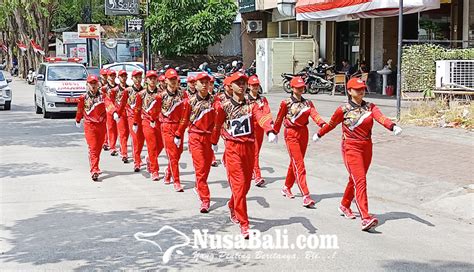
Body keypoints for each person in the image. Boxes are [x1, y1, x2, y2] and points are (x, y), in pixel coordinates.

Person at [314, 78, 403, 231]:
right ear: (349, 91)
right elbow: (331, 124)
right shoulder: (343, 110)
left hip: (367, 147)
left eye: (362, 88)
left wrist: (392, 126)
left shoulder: (370, 107)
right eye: (357, 89)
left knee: (355, 179)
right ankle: (366, 217)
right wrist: (319, 134)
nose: (361, 91)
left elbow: (381, 118)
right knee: (360, 181)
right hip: (350, 147)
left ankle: (344, 205)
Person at [212, 72, 278, 238]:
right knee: (239, 186)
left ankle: (233, 204)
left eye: (243, 82)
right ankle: (244, 223)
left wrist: (270, 130)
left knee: (246, 186)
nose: (241, 85)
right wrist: (213, 143)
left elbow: (261, 117)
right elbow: (217, 124)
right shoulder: (224, 106)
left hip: (249, 147)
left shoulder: (252, 104)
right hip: (233, 148)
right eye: (237, 83)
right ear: (230, 86)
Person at [273, 76, 327, 208]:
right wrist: (274, 132)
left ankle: (286, 187)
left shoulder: (308, 103)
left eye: (302, 86)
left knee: (296, 162)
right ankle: (306, 195)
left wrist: (322, 124)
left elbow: (314, 115)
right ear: (292, 88)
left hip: (304, 133)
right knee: (299, 164)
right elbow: (279, 118)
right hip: (291, 133)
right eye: (298, 87)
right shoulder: (286, 103)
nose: (301, 89)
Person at [175, 72, 216, 212]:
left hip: (209, 138)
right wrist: (178, 134)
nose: (204, 85)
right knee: (200, 167)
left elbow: (219, 121)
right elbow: (184, 120)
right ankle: (205, 199)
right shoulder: (189, 102)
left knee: (206, 168)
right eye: (201, 82)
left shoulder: (215, 101)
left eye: (207, 82)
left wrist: (217, 138)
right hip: (195, 137)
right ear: (196, 85)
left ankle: (199, 185)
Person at [75, 75, 119, 181]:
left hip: (101, 125)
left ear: (98, 84)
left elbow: (109, 104)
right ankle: (94, 170)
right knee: (93, 147)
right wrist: (78, 119)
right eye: (91, 83)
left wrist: (114, 113)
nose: (93, 85)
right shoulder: (83, 97)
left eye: (95, 83)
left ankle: (96, 165)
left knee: (99, 147)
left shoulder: (103, 96)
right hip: (90, 125)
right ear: (87, 85)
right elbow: (80, 109)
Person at [134, 70, 164, 181]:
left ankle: (149, 158)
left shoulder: (161, 93)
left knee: (161, 144)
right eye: (150, 78)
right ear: (146, 80)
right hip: (146, 121)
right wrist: (136, 123)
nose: (152, 80)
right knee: (152, 145)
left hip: (159, 121)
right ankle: (154, 170)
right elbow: (137, 110)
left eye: (154, 78)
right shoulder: (141, 94)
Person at [160, 68, 187, 192]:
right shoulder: (161, 96)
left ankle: (168, 171)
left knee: (179, 152)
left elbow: (186, 110)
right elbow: (155, 111)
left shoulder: (183, 94)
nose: (173, 82)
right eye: (170, 79)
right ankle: (177, 181)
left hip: (180, 126)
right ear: (166, 81)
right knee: (172, 155)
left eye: (174, 79)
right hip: (167, 126)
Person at [246, 75, 272, 187]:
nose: (255, 87)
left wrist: (270, 127)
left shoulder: (262, 100)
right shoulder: (245, 100)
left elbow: (267, 113)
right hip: (249, 129)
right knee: (254, 153)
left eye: (257, 85)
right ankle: (258, 176)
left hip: (260, 128)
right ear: (249, 86)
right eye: (253, 85)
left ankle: (251, 170)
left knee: (255, 153)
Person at [109, 70, 130, 163]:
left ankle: (122, 150)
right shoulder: (114, 90)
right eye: (121, 76)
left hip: (128, 113)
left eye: (125, 76)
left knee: (128, 133)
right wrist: (115, 112)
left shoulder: (129, 89)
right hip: (119, 114)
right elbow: (111, 102)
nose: (123, 78)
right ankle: (124, 153)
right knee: (122, 133)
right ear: (119, 77)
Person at [128, 70, 146, 172]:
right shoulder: (128, 91)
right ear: (132, 79)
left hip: (142, 117)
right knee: (135, 139)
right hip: (131, 117)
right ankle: (136, 162)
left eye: (140, 77)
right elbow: (122, 103)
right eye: (136, 77)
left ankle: (138, 156)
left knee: (141, 139)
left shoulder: (144, 91)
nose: (138, 79)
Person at [103, 70, 119, 156]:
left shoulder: (118, 87)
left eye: (113, 76)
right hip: (108, 109)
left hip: (118, 110)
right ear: (107, 77)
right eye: (110, 76)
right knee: (110, 128)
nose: (112, 78)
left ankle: (113, 144)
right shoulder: (104, 88)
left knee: (117, 130)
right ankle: (112, 147)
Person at [99, 69, 110, 151]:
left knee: (108, 125)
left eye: (106, 75)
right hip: (100, 107)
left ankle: (106, 142)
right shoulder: (97, 85)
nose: (105, 77)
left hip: (109, 106)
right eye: (104, 75)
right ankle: (103, 141)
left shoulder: (110, 85)